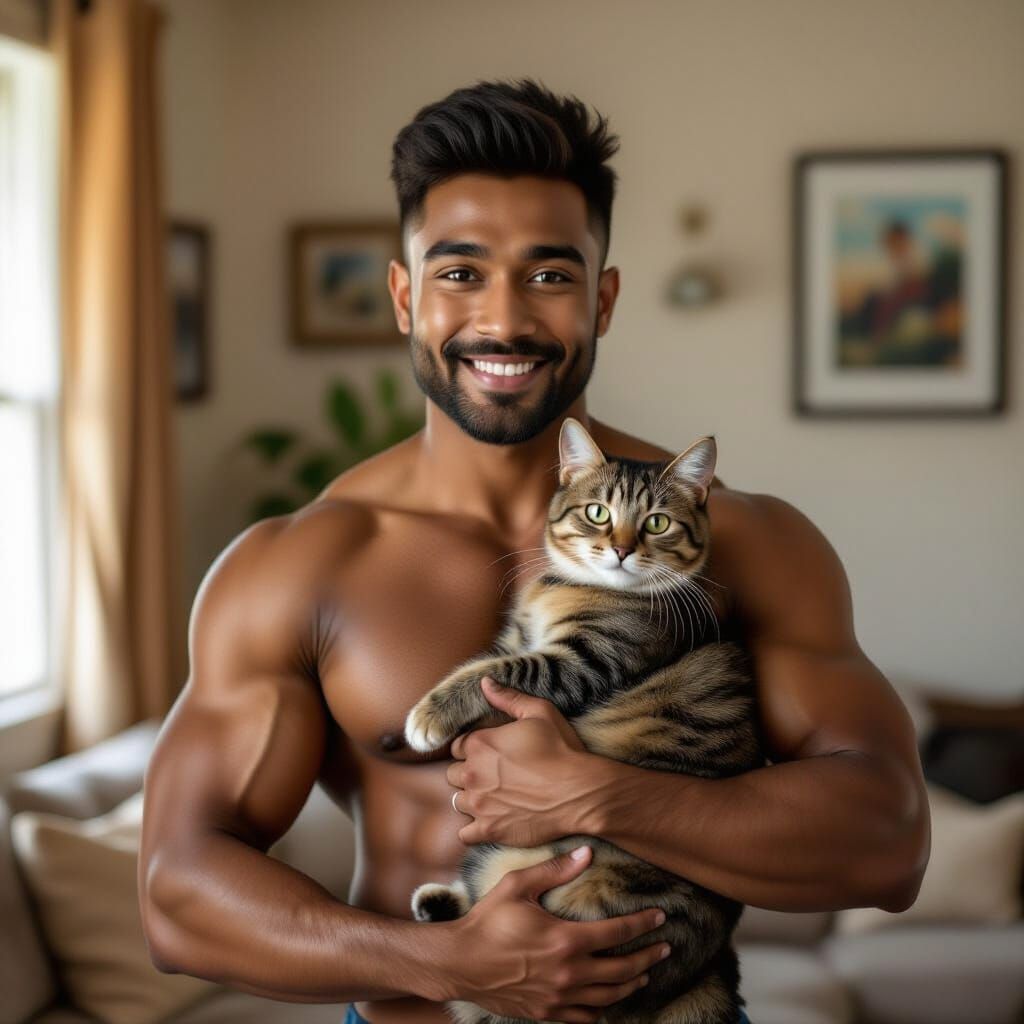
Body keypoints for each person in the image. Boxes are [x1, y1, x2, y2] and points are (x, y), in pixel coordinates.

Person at [139, 79, 930, 1024]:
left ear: (603, 299)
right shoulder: (300, 564)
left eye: (549, 276)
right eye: (460, 272)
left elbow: (889, 844)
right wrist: (450, 962)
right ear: (405, 296)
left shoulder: (755, 544)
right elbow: (176, 896)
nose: (505, 320)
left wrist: (604, 794)